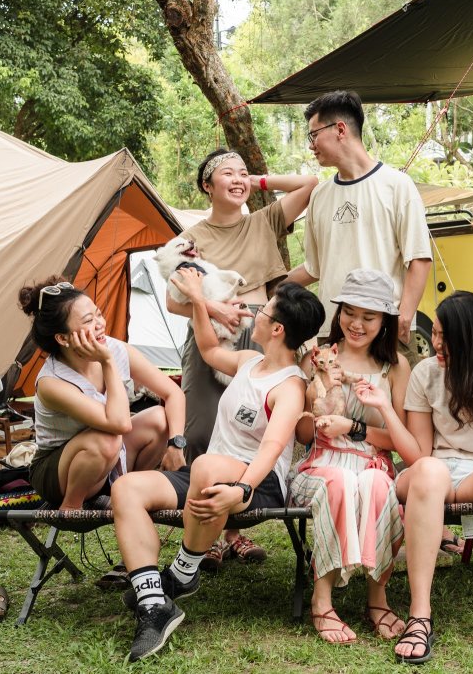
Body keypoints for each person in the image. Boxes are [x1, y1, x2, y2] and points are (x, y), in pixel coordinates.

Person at [111, 270, 325, 661]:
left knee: (207, 465)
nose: (254, 312)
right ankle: (154, 601)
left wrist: (241, 488)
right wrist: (196, 299)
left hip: (255, 483)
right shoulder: (249, 361)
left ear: (277, 329)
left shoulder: (289, 387)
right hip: (208, 474)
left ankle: (182, 572)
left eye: (264, 310)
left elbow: (273, 446)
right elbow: (209, 350)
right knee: (126, 488)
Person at [356, 291, 473, 663]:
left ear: (471, 337)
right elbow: (420, 453)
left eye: (445, 336)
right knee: (428, 470)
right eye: (437, 334)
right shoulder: (426, 373)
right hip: (433, 472)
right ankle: (420, 615)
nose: (436, 343)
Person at [169, 148, 318, 569]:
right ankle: (207, 531)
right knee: (202, 426)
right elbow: (173, 298)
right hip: (210, 332)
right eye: (226, 174)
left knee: (256, 430)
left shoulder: (265, 219)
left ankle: (232, 531)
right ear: (206, 186)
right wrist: (214, 308)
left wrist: (258, 182)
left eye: (242, 172)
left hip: (262, 331)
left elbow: (310, 185)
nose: (236, 179)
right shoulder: (192, 237)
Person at [291, 269, 409, 644]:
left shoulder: (396, 367)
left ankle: (377, 598)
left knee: (376, 484)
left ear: (384, 321)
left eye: (369, 317)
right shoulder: (317, 356)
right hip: (322, 461)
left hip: (372, 459)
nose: (356, 324)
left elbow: (399, 439)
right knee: (340, 482)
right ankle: (321, 599)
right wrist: (315, 407)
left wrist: (354, 429)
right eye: (349, 312)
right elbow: (300, 434)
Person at [285, 90, 432, 363]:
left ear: (340, 129)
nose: (311, 145)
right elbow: (313, 268)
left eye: (313, 135)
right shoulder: (320, 195)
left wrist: (405, 315)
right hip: (332, 333)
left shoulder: (396, 185)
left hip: (386, 331)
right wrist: (271, 285)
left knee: (393, 406)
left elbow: (419, 258)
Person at [17, 277, 186, 511]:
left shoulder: (118, 349)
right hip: (59, 472)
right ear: (63, 338)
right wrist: (106, 362)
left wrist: (176, 444)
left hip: (109, 460)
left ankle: (130, 492)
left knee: (159, 417)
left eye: (98, 314)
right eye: (88, 320)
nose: (100, 324)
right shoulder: (51, 382)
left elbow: (173, 393)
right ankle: (71, 506)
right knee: (108, 438)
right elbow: (119, 424)